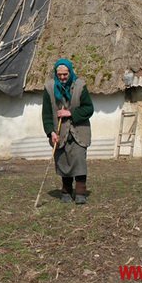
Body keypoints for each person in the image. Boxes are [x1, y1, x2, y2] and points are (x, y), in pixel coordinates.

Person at [42, 58, 94, 204]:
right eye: (60, 75)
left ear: (70, 72)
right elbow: (46, 114)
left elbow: (89, 108)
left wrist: (70, 113)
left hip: (79, 131)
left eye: (65, 74)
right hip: (59, 133)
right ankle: (66, 191)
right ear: (56, 74)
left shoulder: (80, 86)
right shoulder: (49, 88)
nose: (63, 77)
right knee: (63, 161)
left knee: (79, 160)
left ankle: (80, 193)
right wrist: (50, 132)